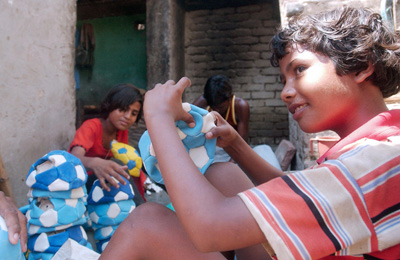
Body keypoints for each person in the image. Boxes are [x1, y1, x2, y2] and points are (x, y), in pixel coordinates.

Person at [100, 6, 400, 260]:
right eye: (284, 78)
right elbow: (303, 196)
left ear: (361, 67)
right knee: (222, 174)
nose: (285, 92)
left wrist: (159, 119)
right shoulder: (374, 147)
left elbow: (211, 228)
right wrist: (235, 144)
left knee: (147, 221)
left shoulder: (376, 161)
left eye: (299, 70)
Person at [69, 83, 146, 204]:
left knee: (143, 157)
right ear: (110, 106)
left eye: (134, 113)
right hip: (83, 185)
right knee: (118, 167)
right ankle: (141, 209)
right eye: (123, 110)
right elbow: (73, 158)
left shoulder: (121, 132)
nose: (127, 116)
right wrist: (95, 163)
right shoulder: (91, 127)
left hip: (105, 184)